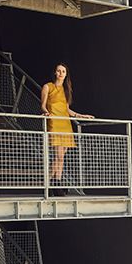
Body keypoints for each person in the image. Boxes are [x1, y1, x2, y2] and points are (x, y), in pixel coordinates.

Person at [41, 64, 94, 193]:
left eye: (63, 71)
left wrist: (81, 115)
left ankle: (55, 182)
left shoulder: (66, 90)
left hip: (65, 123)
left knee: (61, 156)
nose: (60, 73)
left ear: (66, 74)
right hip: (54, 122)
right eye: (58, 71)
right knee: (58, 156)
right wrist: (46, 113)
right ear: (55, 73)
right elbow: (43, 105)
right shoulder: (48, 87)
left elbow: (66, 109)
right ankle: (49, 183)